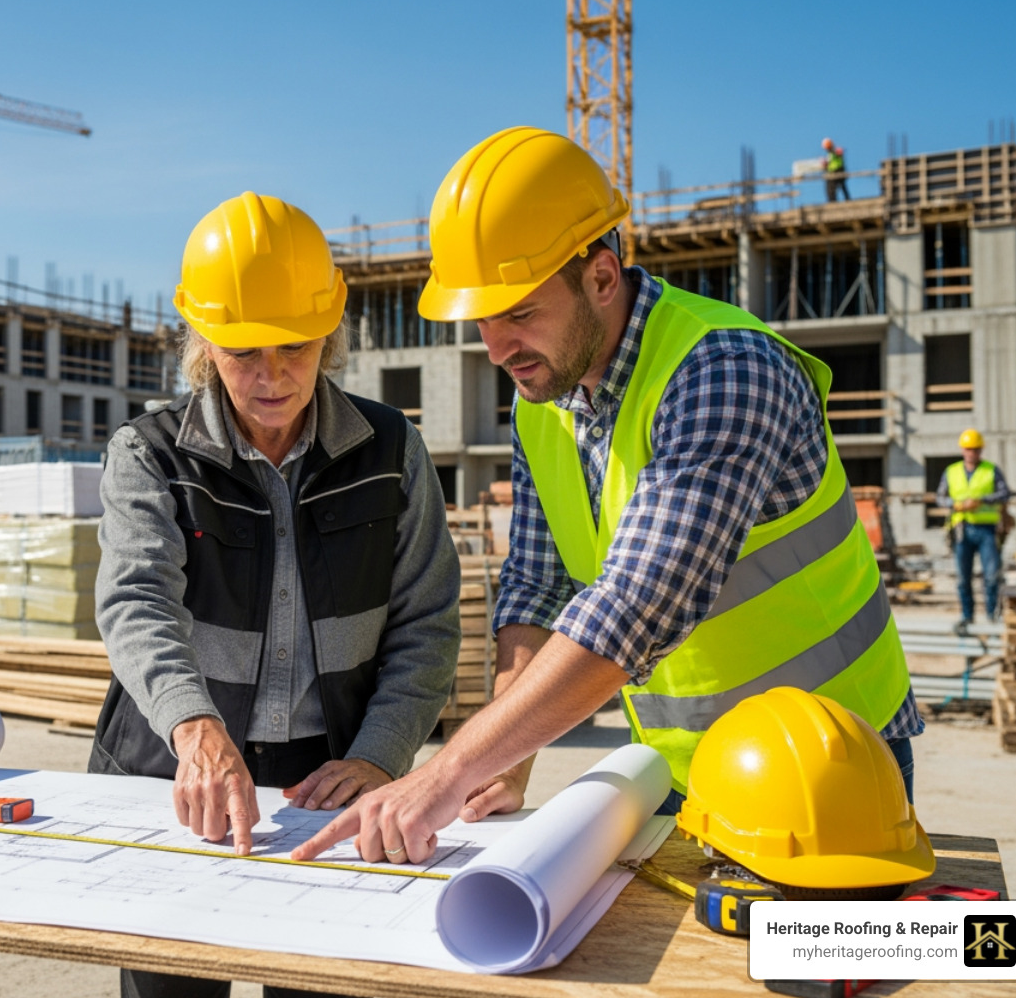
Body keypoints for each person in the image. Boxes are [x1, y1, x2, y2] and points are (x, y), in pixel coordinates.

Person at [292, 127, 920, 869]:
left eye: (520, 313)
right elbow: (537, 583)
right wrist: (505, 749)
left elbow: (635, 605)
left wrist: (447, 768)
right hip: (682, 771)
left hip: (827, 761)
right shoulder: (543, 402)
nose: (497, 349)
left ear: (600, 276)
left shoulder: (723, 369)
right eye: (482, 322)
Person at [90, 191, 461, 998]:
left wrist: (379, 755)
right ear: (204, 343)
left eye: (293, 347)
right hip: (173, 771)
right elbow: (136, 603)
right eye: (243, 352)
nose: (271, 377)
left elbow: (426, 627)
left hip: (327, 777)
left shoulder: (391, 450)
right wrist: (194, 727)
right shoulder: (151, 454)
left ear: (329, 332)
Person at [937, 428, 1009, 631]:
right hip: (962, 530)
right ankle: (967, 616)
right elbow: (940, 497)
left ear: (981, 450)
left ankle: (992, 614)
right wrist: (955, 504)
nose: (972, 453)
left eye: (976, 449)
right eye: (969, 449)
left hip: (987, 530)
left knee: (992, 575)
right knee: (962, 577)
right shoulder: (951, 471)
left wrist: (981, 501)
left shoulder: (991, 470)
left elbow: (1004, 493)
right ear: (963, 450)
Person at [823, 137, 850, 202]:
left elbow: (840, 152)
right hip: (833, 171)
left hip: (838, 170)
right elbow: (829, 164)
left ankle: (847, 199)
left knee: (841, 186)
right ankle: (833, 200)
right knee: (834, 188)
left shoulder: (834, 151)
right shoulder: (830, 154)